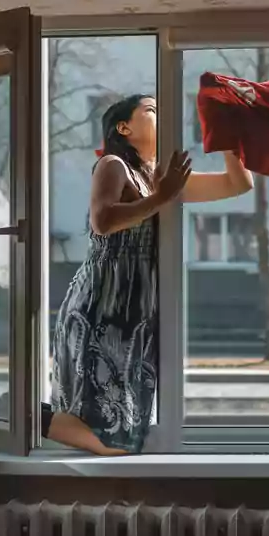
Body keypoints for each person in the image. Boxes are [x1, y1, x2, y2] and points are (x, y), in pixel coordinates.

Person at [45, 94, 254, 454]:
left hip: (136, 312)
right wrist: (163, 196)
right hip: (103, 307)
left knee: (123, 428)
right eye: (152, 111)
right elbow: (103, 220)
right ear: (124, 127)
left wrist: (227, 131)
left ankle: (11, 416)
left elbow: (239, 184)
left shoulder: (160, 177)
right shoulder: (113, 165)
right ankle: (10, 416)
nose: (163, 115)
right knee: (114, 437)